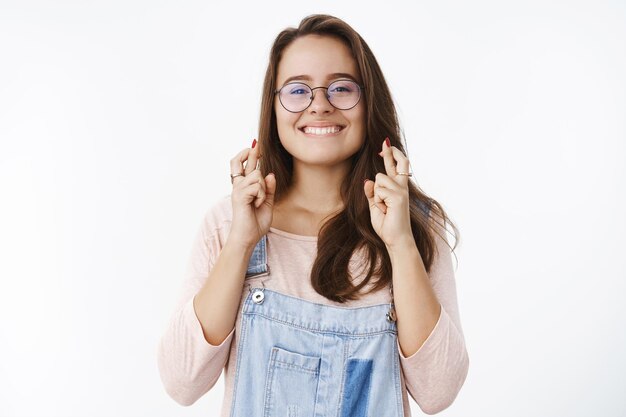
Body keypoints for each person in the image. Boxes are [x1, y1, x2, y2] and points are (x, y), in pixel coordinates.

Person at [157, 14, 469, 417]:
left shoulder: (411, 226)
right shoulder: (228, 224)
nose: (319, 105)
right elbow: (182, 382)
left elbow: (438, 392)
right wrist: (240, 242)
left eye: (341, 87)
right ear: (273, 107)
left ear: (368, 101)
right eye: (298, 90)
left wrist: (400, 243)